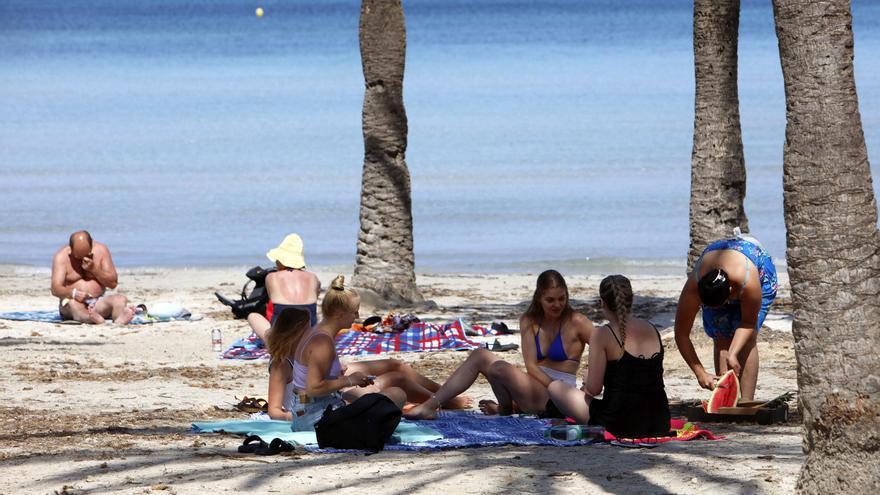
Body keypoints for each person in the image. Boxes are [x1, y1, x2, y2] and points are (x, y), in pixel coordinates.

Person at [267, 275, 471, 427]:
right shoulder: (321, 341)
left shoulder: (316, 334)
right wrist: (350, 380)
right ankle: (437, 404)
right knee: (396, 392)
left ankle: (438, 402)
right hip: (317, 419)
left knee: (394, 383)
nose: (357, 315)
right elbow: (312, 388)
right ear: (339, 313)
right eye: (354, 310)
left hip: (315, 410)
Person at [406, 269, 593, 419]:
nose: (557, 305)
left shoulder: (577, 321)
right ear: (539, 298)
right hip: (532, 388)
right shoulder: (529, 320)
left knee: (499, 368)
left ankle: (505, 409)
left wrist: (588, 384)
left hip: (560, 396)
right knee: (480, 355)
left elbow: (606, 350)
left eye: (561, 298)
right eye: (550, 300)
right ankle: (431, 406)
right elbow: (531, 366)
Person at [547, 275, 671, 438]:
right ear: (632, 300)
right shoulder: (651, 328)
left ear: (602, 303)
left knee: (555, 387)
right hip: (659, 420)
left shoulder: (602, 333)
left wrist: (588, 378)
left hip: (619, 422)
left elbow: (594, 389)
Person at [674, 229, 778, 401]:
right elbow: (681, 334)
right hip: (720, 263)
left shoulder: (748, 283)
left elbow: (747, 323)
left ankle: (746, 402)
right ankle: (727, 400)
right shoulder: (694, 288)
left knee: (747, 340)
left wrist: (733, 353)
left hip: (757, 269)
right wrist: (700, 372)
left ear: (731, 291)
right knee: (721, 334)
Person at [50, 230, 135, 325]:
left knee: (120, 299)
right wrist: (74, 293)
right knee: (73, 305)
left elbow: (112, 284)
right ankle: (91, 318)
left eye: (87, 254)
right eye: (78, 257)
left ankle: (119, 320)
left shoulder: (101, 251)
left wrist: (95, 269)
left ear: (92, 246)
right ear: (71, 249)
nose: (83, 259)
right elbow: (55, 289)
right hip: (72, 302)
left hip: (96, 301)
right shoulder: (61, 257)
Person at [248, 233, 321, 342]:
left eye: (277, 260)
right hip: (307, 337)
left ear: (281, 261)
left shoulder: (271, 277)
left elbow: (271, 304)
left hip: (281, 338)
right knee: (316, 311)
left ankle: (270, 343)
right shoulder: (313, 278)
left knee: (252, 316)